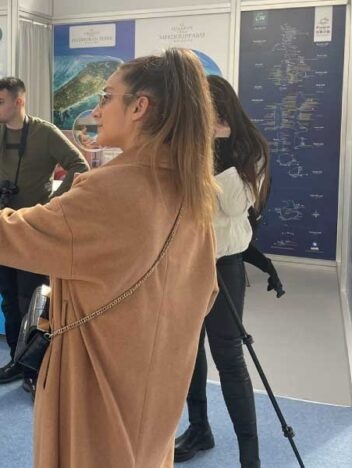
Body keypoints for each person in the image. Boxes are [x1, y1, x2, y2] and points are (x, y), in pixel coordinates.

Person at [0, 48, 219, 467]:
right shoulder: (192, 188)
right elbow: (204, 291)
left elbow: (12, 234)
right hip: (158, 378)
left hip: (102, 373)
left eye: (107, 97)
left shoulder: (110, 189)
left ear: (139, 108)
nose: (97, 110)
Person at [0, 76, 89, 396]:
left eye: (0, 102)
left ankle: (37, 369)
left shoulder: (44, 133)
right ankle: (16, 361)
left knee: (33, 302)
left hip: (33, 230)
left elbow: (79, 165)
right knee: (9, 300)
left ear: (19, 102)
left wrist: (52, 204)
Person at [173, 75, 271, 468]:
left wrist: (215, 146)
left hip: (224, 261)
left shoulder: (250, 146)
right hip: (185, 260)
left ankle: (250, 456)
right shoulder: (186, 142)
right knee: (188, 350)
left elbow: (232, 205)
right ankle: (199, 428)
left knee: (228, 354)